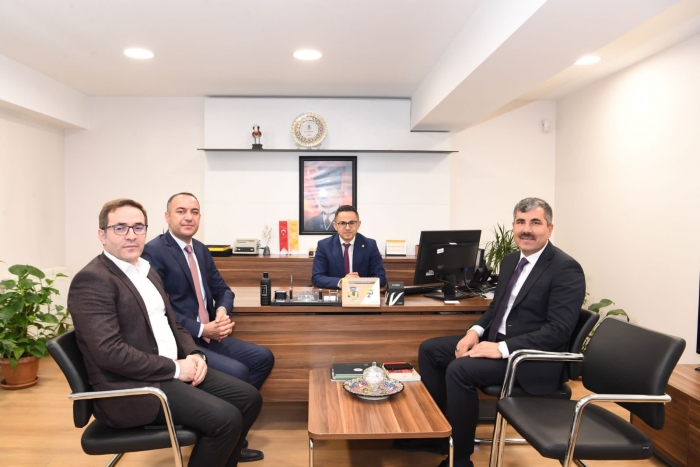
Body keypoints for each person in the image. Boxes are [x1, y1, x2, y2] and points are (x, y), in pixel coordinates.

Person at [68, 198, 262, 467]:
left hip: (167, 370)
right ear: (102, 235)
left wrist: (194, 354)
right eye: (120, 228)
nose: (131, 235)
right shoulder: (93, 280)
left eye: (138, 227)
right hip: (134, 386)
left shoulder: (145, 271)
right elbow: (109, 353)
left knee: (249, 399)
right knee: (226, 420)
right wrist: (176, 368)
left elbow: (173, 323)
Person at [409, 198, 585, 467]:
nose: (527, 230)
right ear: (513, 225)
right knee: (431, 350)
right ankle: (438, 435)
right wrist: (475, 331)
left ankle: (460, 458)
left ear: (549, 228)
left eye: (535, 223)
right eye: (521, 222)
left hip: (531, 359)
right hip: (498, 342)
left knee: (460, 369)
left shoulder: (565, 268)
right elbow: (496, 307)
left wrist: (502, 349)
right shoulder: (511, 260)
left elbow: (558, 331)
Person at [142, 193, 274, 389]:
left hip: (211, 333)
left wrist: (222, 311)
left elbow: (223, 290)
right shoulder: (154, 251)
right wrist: (202, 329)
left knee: (263, 358)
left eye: (194, 212)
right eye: (181, 211)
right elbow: (160, 309)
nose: (189, 217)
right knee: (238, 372)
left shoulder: (201, 250)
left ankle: (238, 404)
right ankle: (227, 405)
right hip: (183, 339)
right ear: (167, 216)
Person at [311, 205, 387, 289]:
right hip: (336, 294)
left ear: (358, 224)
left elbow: (381, 278)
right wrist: (342, 282)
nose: (347, 228)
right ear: (335, 226)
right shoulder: (324, 246)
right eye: (342, 223)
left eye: (352, 223)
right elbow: (317, 278)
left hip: (362, 294)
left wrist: (359, 282)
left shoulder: (370, 245)